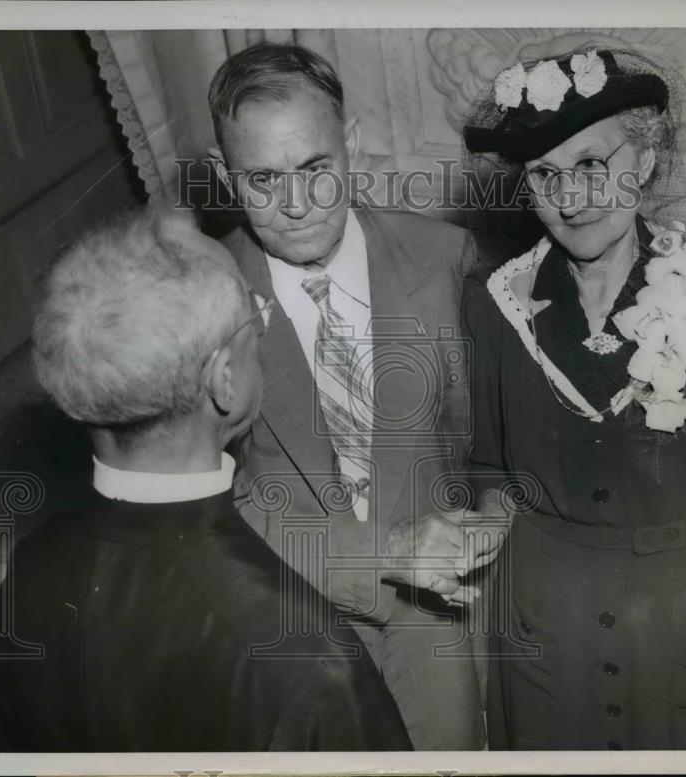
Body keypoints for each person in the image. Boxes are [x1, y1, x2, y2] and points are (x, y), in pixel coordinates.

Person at [460, 46, 686, 750]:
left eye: (593, 165)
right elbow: (492, 477)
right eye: (545, 175)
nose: (572, 197)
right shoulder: (496, 303)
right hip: (547, 637)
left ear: (645, 159)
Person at [0, 208, 412, 751]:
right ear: (225, 381)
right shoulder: (309, 659)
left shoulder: (26, 571)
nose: (262, 321)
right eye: (254, 309)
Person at [206, 42, 500, 750]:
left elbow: (492, 452)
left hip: (437, 632)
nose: (298, 204)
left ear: (354, 146)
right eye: (264, 181)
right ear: (223, 177)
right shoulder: (199, 293)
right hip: (284, 628)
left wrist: (491, 522)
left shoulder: (445, 260)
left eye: (315, 169)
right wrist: (385, 554)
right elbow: (207, 504)